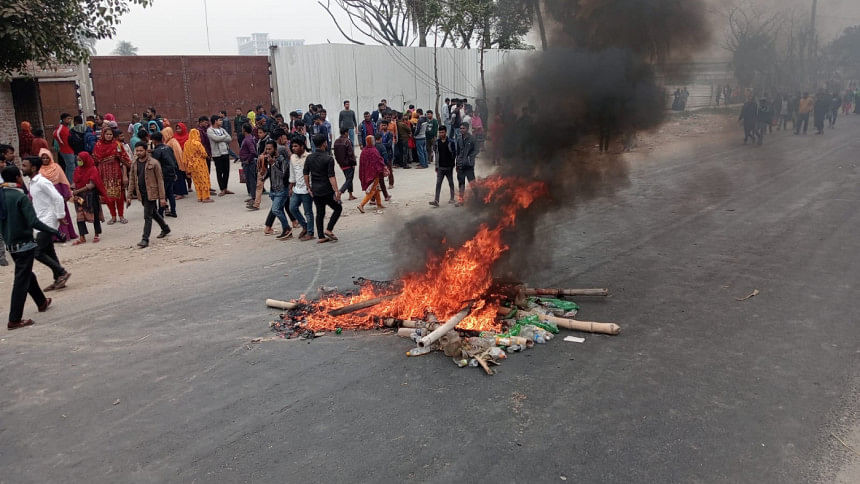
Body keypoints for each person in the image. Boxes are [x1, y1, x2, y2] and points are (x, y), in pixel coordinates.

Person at [1, 165, 66, 330]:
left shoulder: (2, 196)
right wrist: (55, 231)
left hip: (11, 244)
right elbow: (33, 222)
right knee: (21, 280)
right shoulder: (19, 197)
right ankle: (14, 319)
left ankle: (41, 301)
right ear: (17, 178)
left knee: (26, 273)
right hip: (25, 243)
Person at [21, 156, 71, 291]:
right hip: (40, 220)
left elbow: (58, 198)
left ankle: (61, 272)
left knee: (37, 252)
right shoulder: (32, 182)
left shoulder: (42, 182)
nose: (22, 168)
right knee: (49, 251)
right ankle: (58, 278)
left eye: (25, 165)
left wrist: (60, 216)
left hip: (48, 220)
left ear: (33, 168)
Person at [127, 142, 170, 248]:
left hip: (151, 193)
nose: (139, 153)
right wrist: (129, 196)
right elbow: (132, 180)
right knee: (153, 213)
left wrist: (162, 198)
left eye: (141, 150)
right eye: (137, 151)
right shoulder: (134, 164)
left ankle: (145, 239)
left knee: (147, 216)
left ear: (146, 150)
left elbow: (160, 181)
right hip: (141, 193)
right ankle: (165, 228)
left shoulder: (154, 163)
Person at [304, 134, 342, 243]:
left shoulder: (309, 157)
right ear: (324, 143)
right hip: (327, 190)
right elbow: (331, 176)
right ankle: (329, 229)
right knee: (338, 208)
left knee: (320, 213)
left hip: (315, 190)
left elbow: (306, 174)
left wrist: (308, 188)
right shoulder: (328, 158)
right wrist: (336, 191)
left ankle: (321, 236)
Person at [92, 127, 131, 225]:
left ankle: (121, 216)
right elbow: (95, 161)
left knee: (119, 195)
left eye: (110, 134)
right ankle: (113, 216)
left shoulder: (117, 144)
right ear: (103, 135)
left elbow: (125, 158)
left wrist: (127, 170)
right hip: (103, 174)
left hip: (116, 173)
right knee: (108, 195)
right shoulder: (98, 145)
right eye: (107, 134)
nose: (109, 136)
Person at [37, 149, 78, 242]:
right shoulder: (39, 170)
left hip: (58, 195)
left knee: (62, 214)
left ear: (50, 157)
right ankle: (53, 236)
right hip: (47, 196)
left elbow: (63, 181)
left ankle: (65, 234)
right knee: (50, 215)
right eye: (43, 158)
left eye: (47, 158)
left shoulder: (56, 167)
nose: (45, 160)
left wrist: (66, 194)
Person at [71, 152, 107, 245]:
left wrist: (78, 191)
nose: (78, 162)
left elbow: (92, 184)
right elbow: (74, 182)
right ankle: (82, 236)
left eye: (80, 160)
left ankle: (96, 234)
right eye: (78, 160)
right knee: (80, 216)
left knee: (94, 214)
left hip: (91, 196)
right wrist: (73, 189)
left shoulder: (92, 169)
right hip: (79, 197)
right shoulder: (77, 170)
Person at [262, 140, 292, 239]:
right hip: (273, 190)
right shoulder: (269, 159)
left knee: (275, 209)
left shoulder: (281, 160)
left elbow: (283, 175)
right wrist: (263, 177)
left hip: (282, 189)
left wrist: (273, 164)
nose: (267, 151)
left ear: (275, 149)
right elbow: (270, 173)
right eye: (266, 149)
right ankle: (286, 230)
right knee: (279, 209)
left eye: (270, 149)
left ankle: (287, 228)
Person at [287, 138, 315, 241]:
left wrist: (311, 187)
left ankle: (310, 233)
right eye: (292, 146)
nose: (293, 148)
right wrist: (290, 187)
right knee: (292, 208)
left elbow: (312, 174)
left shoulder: (309, 157)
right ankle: (305, 226)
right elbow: (292, 173)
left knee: (308, 212)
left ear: (302, 146)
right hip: (297, 188)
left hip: (307, 189)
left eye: (296, 146)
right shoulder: (293, 157)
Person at [150, 132, 179, 218]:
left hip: (163, 174)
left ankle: (160, 213)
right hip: (171, 173)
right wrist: (175, 172)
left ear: (154, 141)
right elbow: (174, 160)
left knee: (162, 194)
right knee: (170, 193)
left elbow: (155, 164)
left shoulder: (156, 151)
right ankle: (173, 211)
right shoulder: (168, 148)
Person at [357, 135, 387, 214]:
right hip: (374, 173)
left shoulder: (364, 151)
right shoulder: (374, 150)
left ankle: (379, 204)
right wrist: (384, 168)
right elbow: (379, 160)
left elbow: (362, 164)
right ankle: (361, 205)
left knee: (376, 188)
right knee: (372, 190)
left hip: (367, 173)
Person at [429, 125, 457, 207]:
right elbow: (435, 152)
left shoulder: (450, 142)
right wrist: (436, 166)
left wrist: (452, 163)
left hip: (449, 167)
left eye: (442, 132)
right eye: (440, 132)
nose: (441, 134)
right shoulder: (437, 142)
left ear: (445, 132)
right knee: (438, 184)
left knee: (451, 182)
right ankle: (436, 200)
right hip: (440, 167)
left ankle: (452, 198)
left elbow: (454, 153)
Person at [183, 130, 213, 203]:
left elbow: (184, 156)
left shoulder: (186, 143)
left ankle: (200, 197)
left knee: (197, 181)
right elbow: (204, 154)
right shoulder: (197, 143)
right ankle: (205, 197)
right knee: (204, 180)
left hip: (191, 165)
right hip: (200, 164)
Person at [207, 115, 233, 196]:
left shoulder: (222, 129)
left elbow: (229, 138)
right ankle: (222, 189)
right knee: (219, 171)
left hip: (225, 152)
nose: (221, 122)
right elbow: (215, 139)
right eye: (220, 120)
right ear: (215, 121)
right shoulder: (210, 130)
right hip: (217, 154)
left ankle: (225, 188)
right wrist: (224, 137)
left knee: (226, 171)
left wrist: (221, 137)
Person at [455, 122, 477, 207]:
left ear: (467, 129)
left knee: (472, 182)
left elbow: (476, 150)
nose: (461, 130)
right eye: (460, 128)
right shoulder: (459, 139)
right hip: (460, 165)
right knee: (461, 183)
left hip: (469, 166)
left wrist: (470, 158)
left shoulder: (472, 139)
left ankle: (477, 198)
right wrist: (457, 163)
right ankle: (461, 200)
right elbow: (457, 152)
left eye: (463, 128)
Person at [162, 127, 188, 200]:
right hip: (171, 164)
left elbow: (177, 154)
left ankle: (180, 193)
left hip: (175, 164)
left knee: (178, 179)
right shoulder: (168, 141)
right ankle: (177, 192)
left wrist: (177, 164)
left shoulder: (173, 142)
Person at [333, 128, 357, 200]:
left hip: (342, 164)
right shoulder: (347, 141)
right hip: (349, 164)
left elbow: (335, 154)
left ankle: (350, 195)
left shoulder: (336, 141)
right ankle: (340, 191)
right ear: (346, 133)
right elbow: (350, 153)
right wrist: (353, 163)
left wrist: (339, 163)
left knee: (348, 179)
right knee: (349, 179)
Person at [53, 113, 76, 183]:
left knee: (69, 167)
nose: (70, 120)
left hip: (70, 150)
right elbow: (55, 134)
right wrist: (62, 143)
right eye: (68, 119)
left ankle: (67, 181)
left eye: (70, 119)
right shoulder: (61, 127)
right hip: (66, 151)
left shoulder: (67, 127)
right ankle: (70, 182)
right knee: (71, 167)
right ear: (63, 119)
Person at [239, 124, 258, 202]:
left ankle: (254, 197)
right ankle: (253, 196)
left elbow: (253, 152)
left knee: (251, 180)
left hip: (249, 163)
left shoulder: (248, 139)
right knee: (250, 179)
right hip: (247, 162)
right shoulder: (249, 138)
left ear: (244, 130)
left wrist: (248, 160)